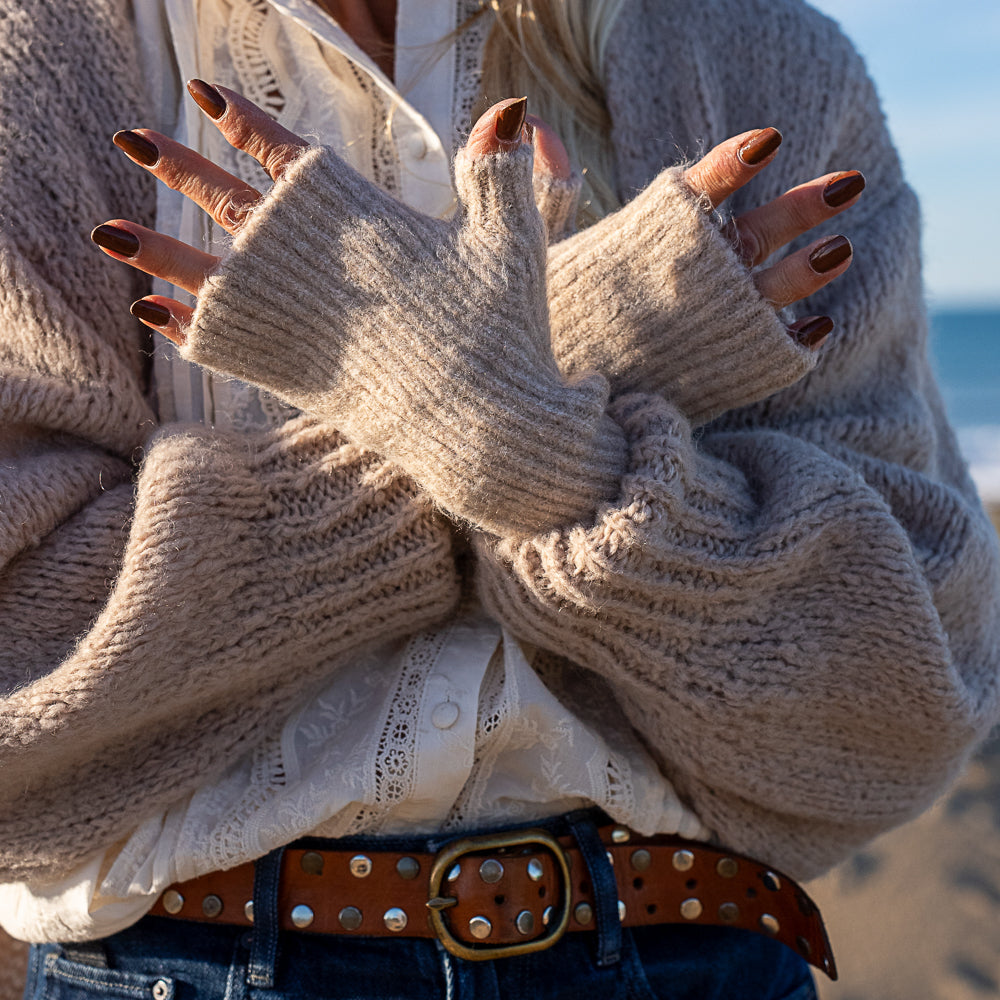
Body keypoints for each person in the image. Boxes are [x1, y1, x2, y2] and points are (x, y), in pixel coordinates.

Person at [1, 0, 998, 997]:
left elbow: (902, 704)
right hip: (189, 964)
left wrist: (490, 413)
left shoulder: (753, 54)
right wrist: (541, 393)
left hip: (690, 952)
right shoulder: (40, 60)